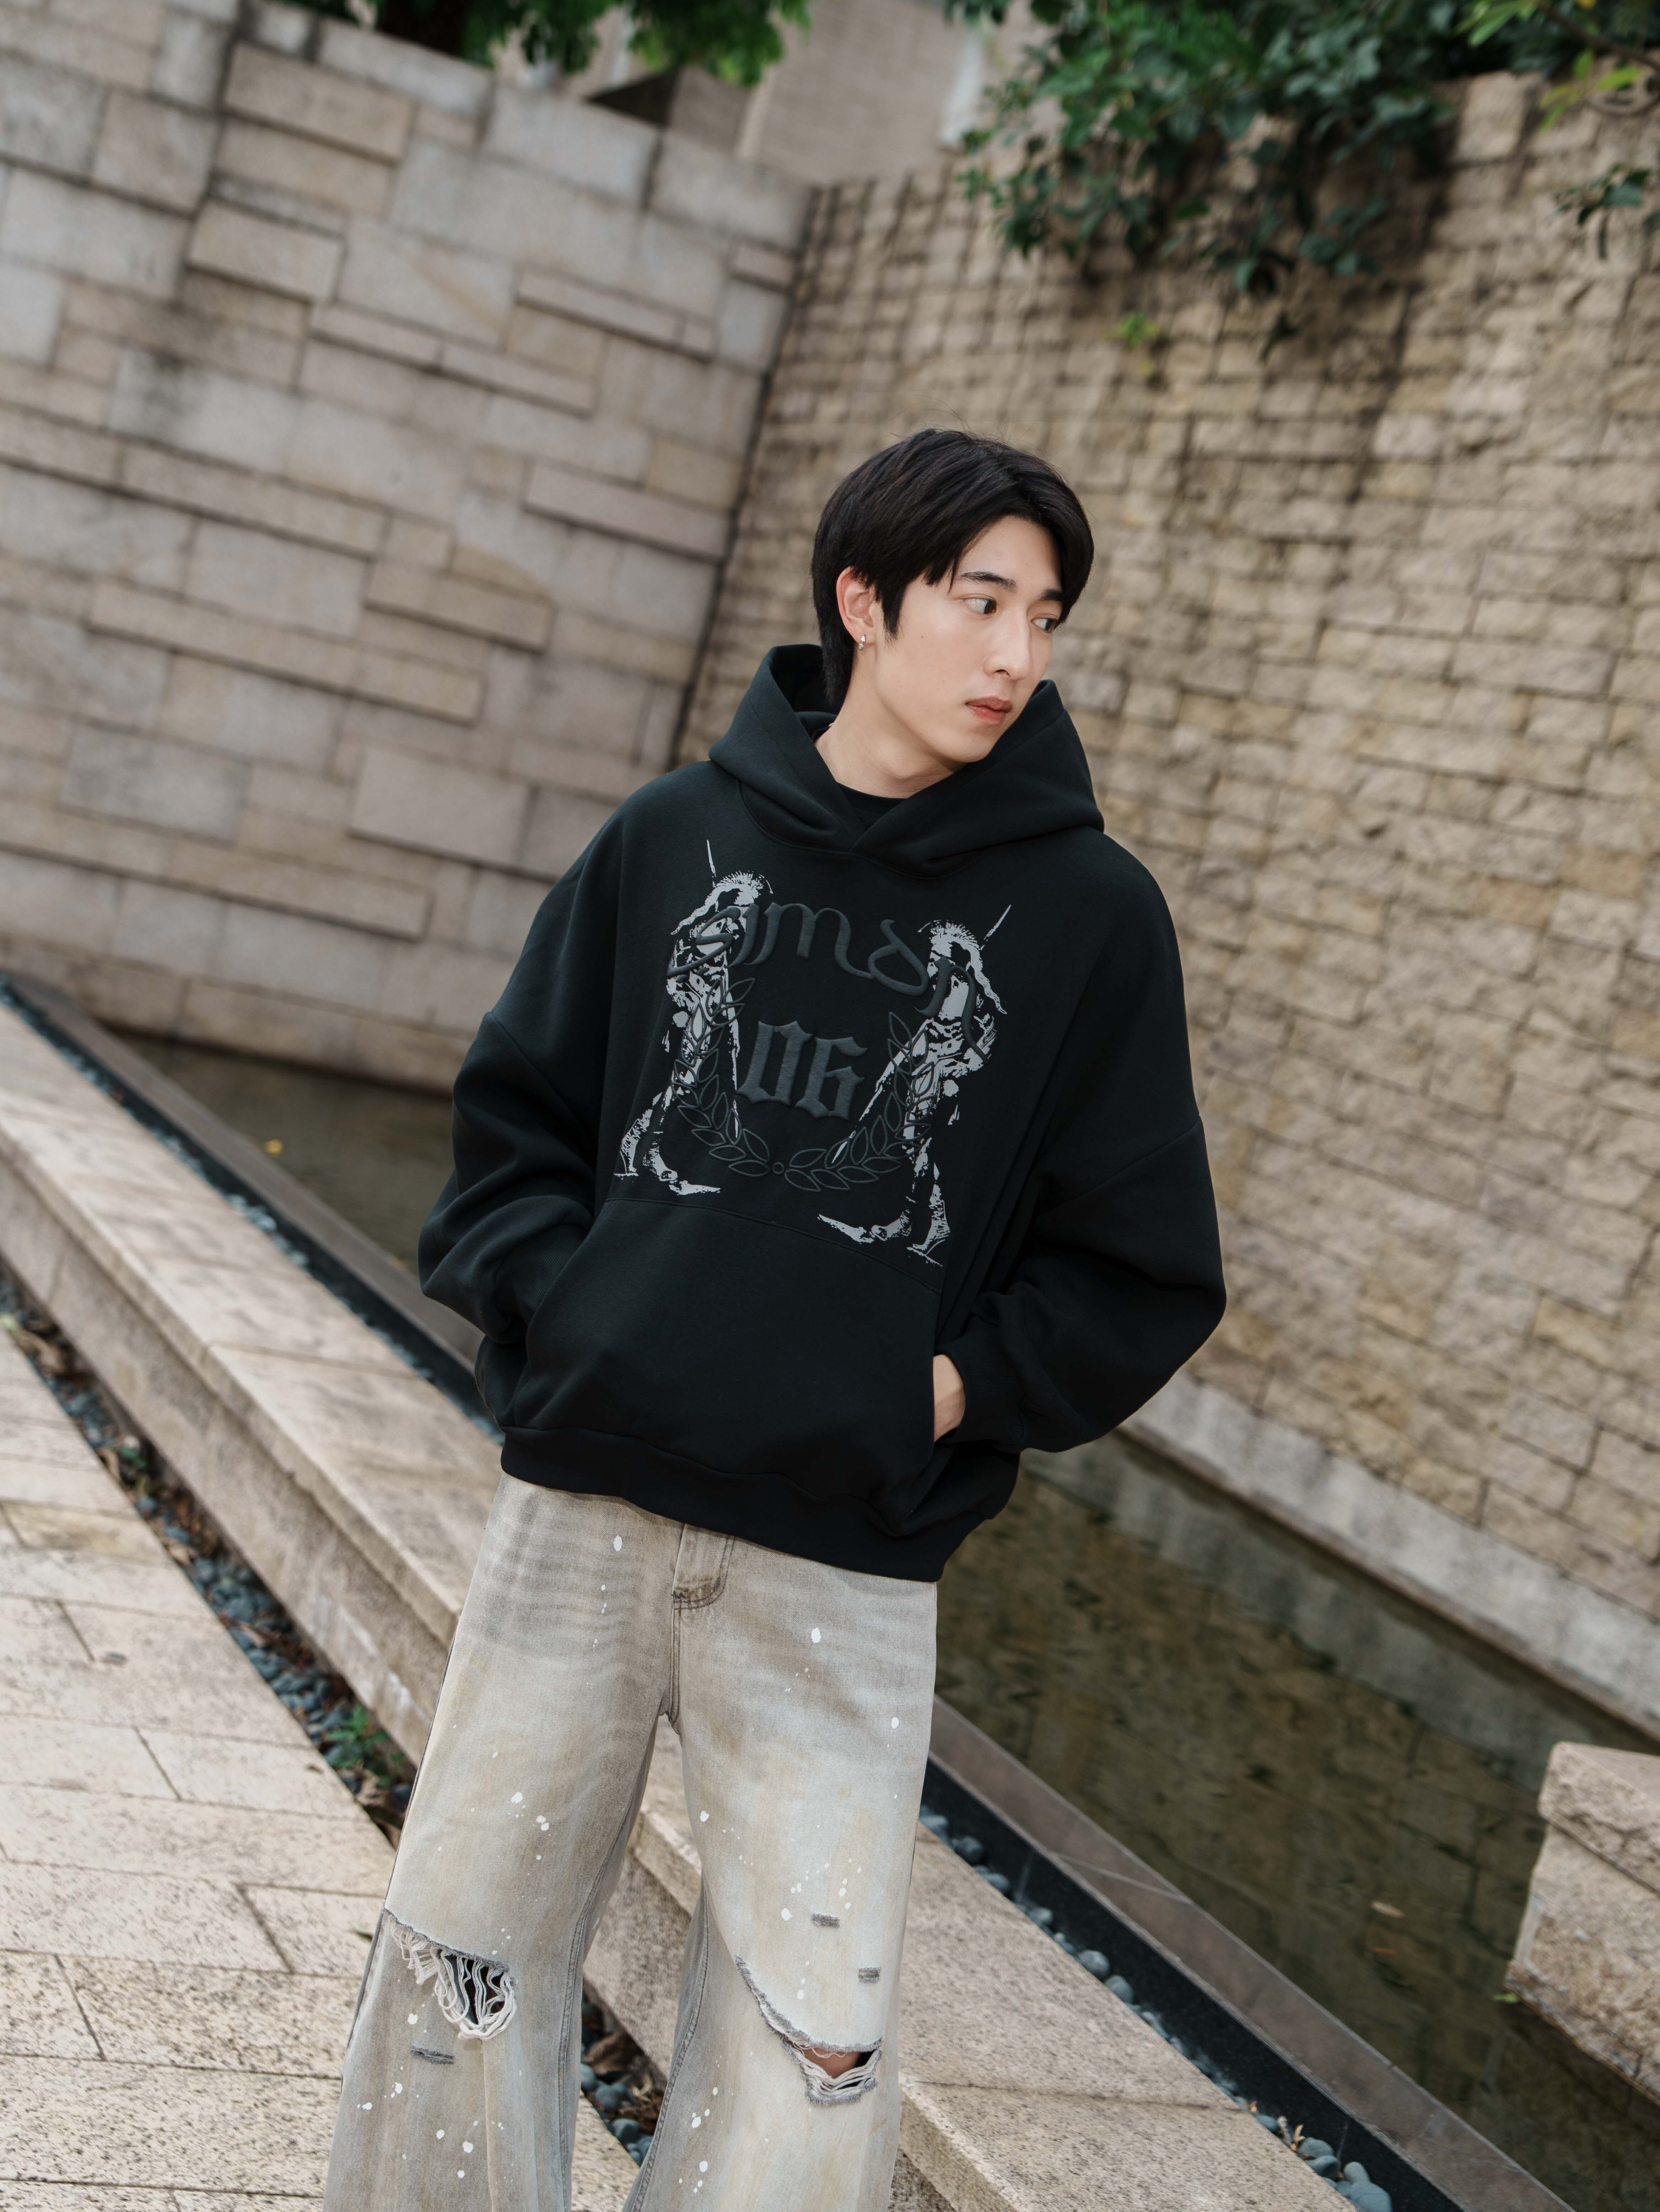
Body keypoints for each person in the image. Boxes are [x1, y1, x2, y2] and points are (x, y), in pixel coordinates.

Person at [322, 429, 1225, 2211]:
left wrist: (933, 1390)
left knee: (813, 2055)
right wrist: (584, 1318)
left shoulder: (1091, 918)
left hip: (842, 1566)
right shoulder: (673, 837)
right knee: (460, 1969)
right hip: (585, 1517)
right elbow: (511, 1130)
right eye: (980, 602)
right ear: (861, 603)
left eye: (1044, 616)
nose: (1016, 654)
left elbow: (1143, 1268)